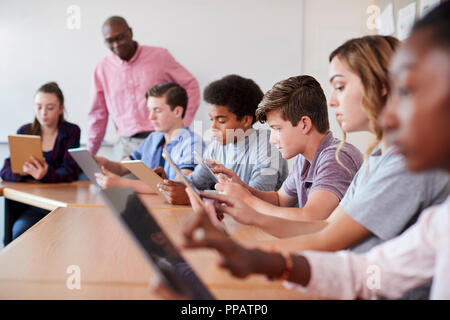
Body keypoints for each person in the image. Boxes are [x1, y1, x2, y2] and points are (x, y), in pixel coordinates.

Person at [182, 2, 450, 300]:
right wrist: (250, 246)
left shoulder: (357, 159)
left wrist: (251, 218)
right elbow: (362, 268)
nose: (390, 115)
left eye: (409, 91)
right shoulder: (391, 174)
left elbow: (325, 235)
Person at [208, 75, 363, 224]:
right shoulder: (305, 159)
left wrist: (247, 200)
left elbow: (312, 217)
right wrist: (244, 189)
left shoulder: (336, 157)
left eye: (277, 129)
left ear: (304, 124)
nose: (271, 139)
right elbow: (280, 200)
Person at [156, 74, 289, 205]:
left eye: (221, 120)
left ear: (246, 120)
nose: (213, 127)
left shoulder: (268, 146)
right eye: (211, 119)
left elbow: (257, 196)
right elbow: (195, 182)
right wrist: (170, 184)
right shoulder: (217, 146)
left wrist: (196, 196)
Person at [88, 16, 200, 159]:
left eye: (120, 37)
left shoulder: (160, 56)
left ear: (130, 32)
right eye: (110, 41)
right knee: (118, 182)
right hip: (126, 145)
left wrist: (181, 125)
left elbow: (190, 85)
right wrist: (90, 153)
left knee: (164, 182)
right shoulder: (102, 69)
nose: (116, 45)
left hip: (162, 141)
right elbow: (98, 114)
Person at [0, 82, 81, 239]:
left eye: (50, 108)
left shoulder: (71, 131)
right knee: (19, 231)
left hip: (60, 203)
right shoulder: (25, 131)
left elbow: (71, 171)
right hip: (31, 204)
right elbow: (5, 171)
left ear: (60, 109)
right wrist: (22, 171)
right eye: (39, 107)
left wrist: (45, 175)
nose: (43, 113)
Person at [94, 82, 204, 193]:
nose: (151, 117)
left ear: (177, 111)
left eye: (158, 110)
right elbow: (122, 167)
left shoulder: (192, 143)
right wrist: (100, 162)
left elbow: (179, 186)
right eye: (150, 110)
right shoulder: (153, 138)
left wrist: (122, 184)